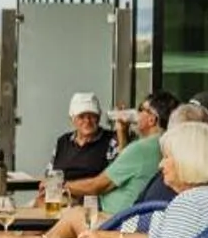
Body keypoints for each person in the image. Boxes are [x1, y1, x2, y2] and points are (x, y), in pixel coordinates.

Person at [57, 91, 175, 219]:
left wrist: (59, 186)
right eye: (81, 116)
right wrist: (121, 131)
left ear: (152, 119)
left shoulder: (141, 148)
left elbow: (97, 186)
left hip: (113, 217)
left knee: (70, 217)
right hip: (133, 214)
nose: (135, 113)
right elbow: (126, 166)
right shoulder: (165, 144)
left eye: (140, 109)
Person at [50, 93, 114, 184]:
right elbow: (50, 174)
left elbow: (116, 177)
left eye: (92, 116)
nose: (87, 121)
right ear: (72, 119)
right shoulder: (62, 142)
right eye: (81, 117)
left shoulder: (111, 140)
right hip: (62, 196)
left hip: (95, 196)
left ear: (99, 117)